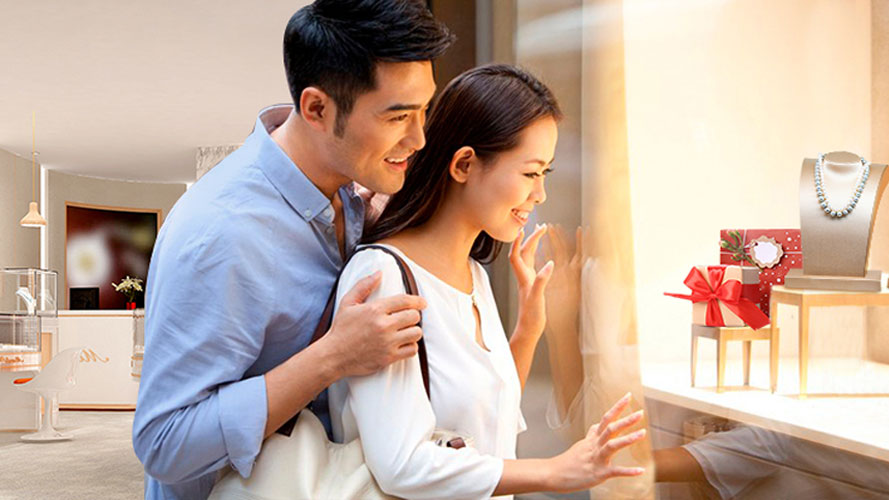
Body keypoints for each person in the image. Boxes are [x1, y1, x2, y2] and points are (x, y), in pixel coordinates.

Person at [132, 1, 454, 498]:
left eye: (423, 110)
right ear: (317, 109)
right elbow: (164, 444)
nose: (420, 138)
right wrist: (332, 357)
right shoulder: (220, 232)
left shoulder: (345, 188)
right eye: (398, 117)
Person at [328, 64, 648, 499]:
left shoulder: (473, 275)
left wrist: (529, 330)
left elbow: (487, 420)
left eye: (545, 174)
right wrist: (553, 471)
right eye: (531, 173)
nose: (540, 195)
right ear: (464, 164)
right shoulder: (384, 278)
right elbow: (402, 466)